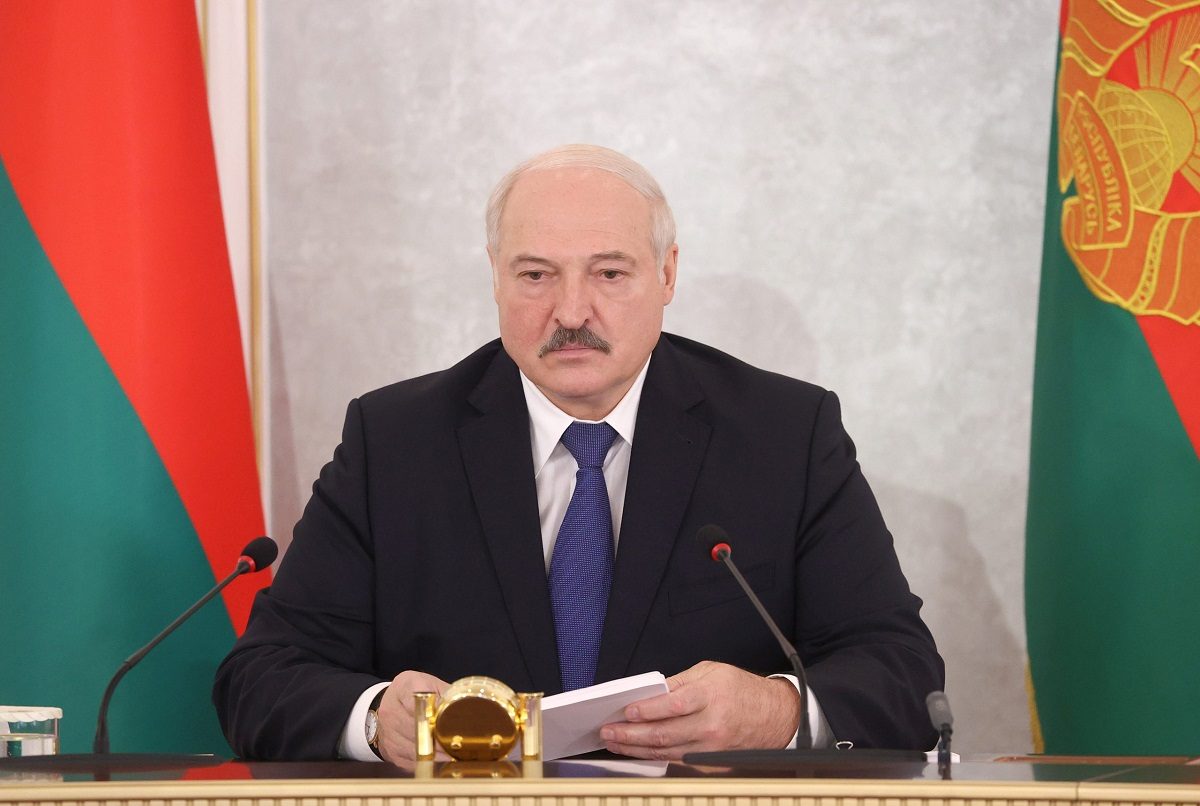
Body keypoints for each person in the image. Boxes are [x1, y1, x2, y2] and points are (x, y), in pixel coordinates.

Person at [213, 144, 944, 763]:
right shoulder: (395, 442)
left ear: (667, 275)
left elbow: (906, 676)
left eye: (609, 273)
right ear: (496, 276)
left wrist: (775, 712)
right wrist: (377, 720)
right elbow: (261, 679)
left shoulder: (784, 435)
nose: (569, 312)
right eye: (536, 275)